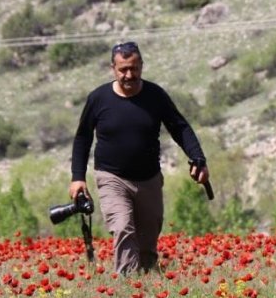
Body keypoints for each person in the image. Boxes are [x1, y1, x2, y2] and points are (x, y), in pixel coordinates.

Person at [69, 41, 210, 276]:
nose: (129, 75)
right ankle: (126, 288)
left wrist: (198, 159)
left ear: (142, 66)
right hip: (112, 177)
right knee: (123, 226)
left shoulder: (155, 96)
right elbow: (82, 138)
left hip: (149, 179)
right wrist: (77, 177)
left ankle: (146, 287)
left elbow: (180, 128)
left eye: (134, 68)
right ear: (113, 69)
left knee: (147, 243)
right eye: (123, 69)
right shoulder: (99, 98)